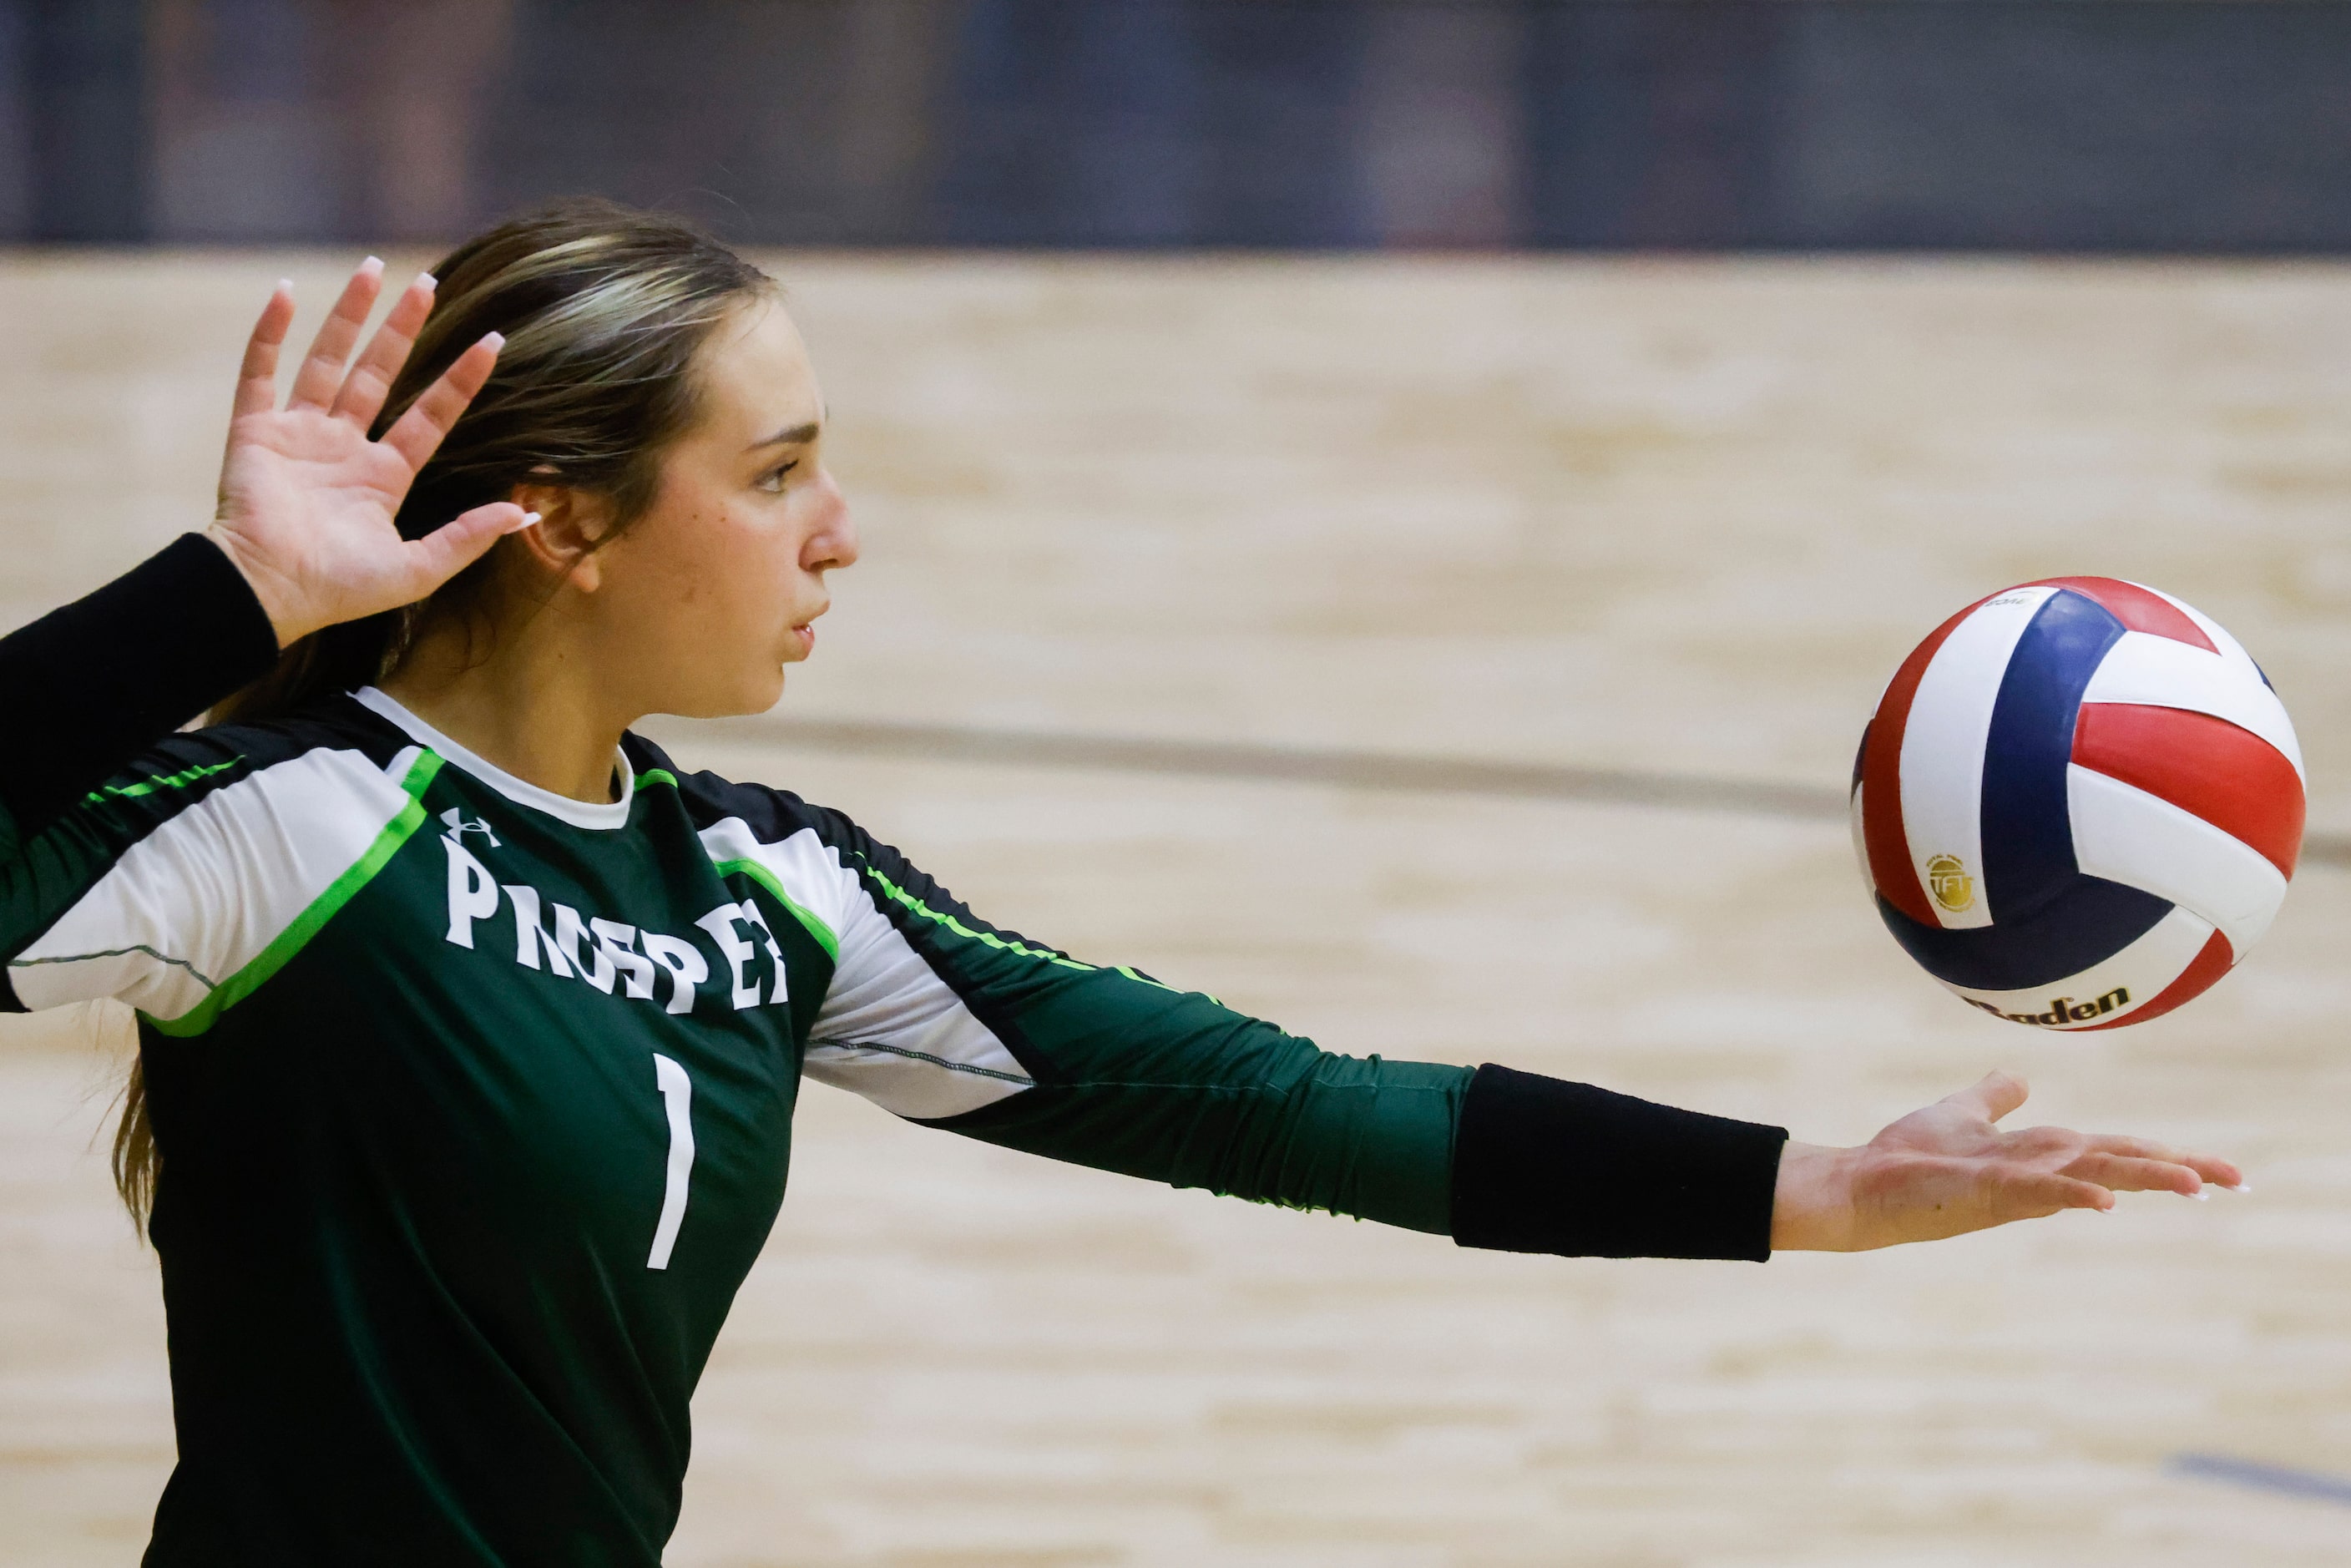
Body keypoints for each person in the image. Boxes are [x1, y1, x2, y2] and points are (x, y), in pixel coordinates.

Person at [0, 200, 2238, 1565]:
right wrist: (227, 598)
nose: (841, 528)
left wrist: (1809, 1186)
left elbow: (1261, 1100)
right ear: (571, 523)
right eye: (775, 474)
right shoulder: (297, 824)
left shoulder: (759, 892)